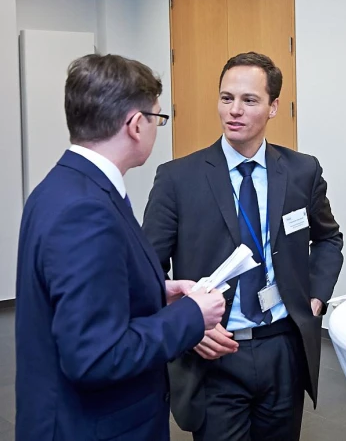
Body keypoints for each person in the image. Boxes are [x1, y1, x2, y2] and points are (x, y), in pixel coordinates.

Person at [15, 54, 226, 441]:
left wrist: (157, 292)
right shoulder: (85, 209)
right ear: (134, 124)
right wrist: (193, 316)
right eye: (158, 119)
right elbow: (96, 356)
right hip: (93, 427)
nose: (156, 128)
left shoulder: (63, 186)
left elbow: (78, 295)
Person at [143, 51, 344, 440]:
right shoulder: (177, 178)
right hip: (214, 351)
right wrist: (187, 323)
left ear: (273, 108)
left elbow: (328, 239)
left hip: (284, 347)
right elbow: (148, 267)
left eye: (249, 100)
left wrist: (315, 297)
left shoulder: (302, 171)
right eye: (226, 98)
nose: (234, 110)